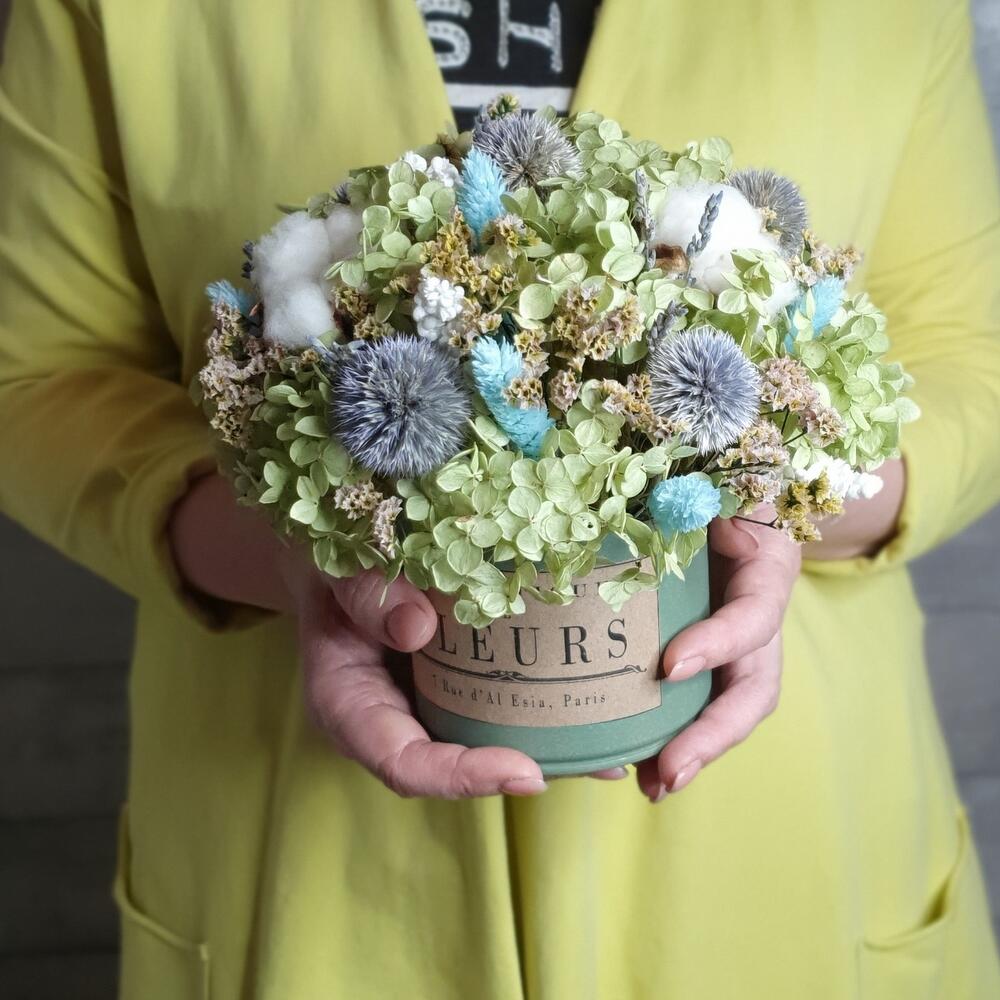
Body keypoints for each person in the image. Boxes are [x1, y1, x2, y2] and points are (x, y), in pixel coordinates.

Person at [1, 0, 998, 997]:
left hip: (776, 844)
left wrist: (771, 490)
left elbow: (973, 367)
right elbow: (38, 380)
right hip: (308, 854)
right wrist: (300, 550)